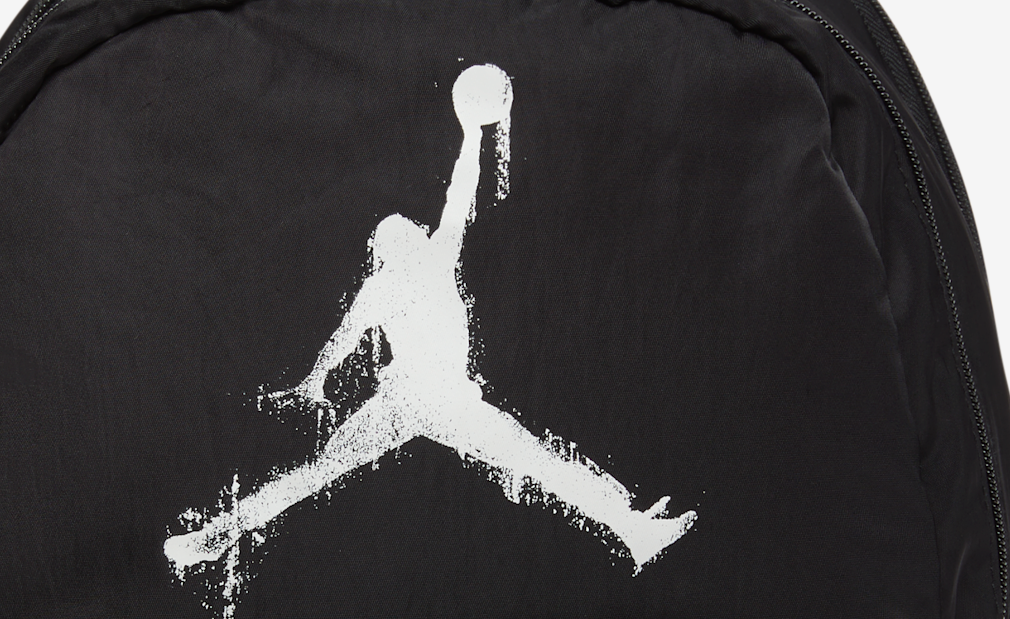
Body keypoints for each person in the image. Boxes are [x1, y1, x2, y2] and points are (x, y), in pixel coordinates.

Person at [165, 64, 697, 581]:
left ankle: (212, 537)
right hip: (431, 400)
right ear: (394, 247)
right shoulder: (422, 266)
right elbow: (454, 200)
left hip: (416, 401)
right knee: (538, 462)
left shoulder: (399, 277)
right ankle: (632, 528)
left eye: (407, 228)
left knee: (317, 475)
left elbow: (342, 340)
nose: (411, 229)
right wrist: (472, 133)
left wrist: (317, 381)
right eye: (401, 230)